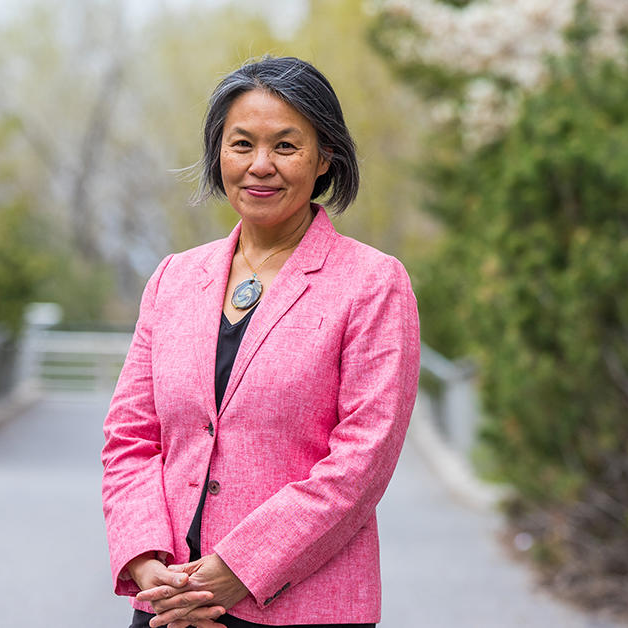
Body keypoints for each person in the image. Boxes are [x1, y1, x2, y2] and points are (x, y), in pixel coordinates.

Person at [101, 55, 420, 628]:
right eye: (241, 144)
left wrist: (238, 569)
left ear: (326, 157)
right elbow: (130, 436)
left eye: (287, 146)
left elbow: (360, 464)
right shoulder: (175, 278)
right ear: (217, 153)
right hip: (170, 603)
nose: (260, 166)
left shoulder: (373, 284)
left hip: (300, 607)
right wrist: (146, 560)